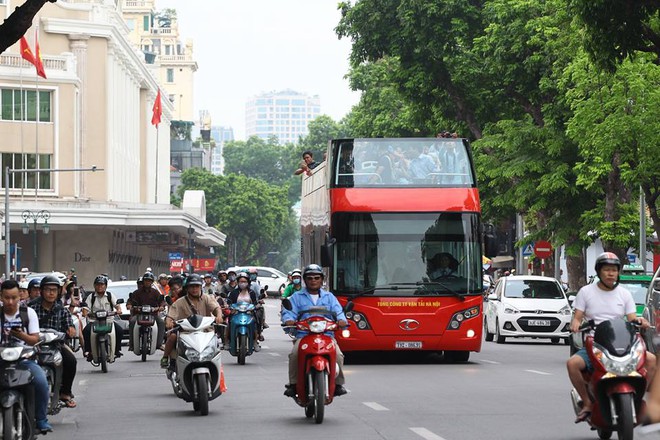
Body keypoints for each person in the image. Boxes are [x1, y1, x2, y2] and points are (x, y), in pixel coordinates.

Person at [567, 252, 655, 423]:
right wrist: (575, 323)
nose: (611, 274)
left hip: (622, 342)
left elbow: (631, 319)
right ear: (599, 272)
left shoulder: (624, 294)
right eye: (607, 270)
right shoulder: (586, 292)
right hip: (595, 343)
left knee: (651, 359)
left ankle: (638, 397)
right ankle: (586, 403)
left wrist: (641, 321)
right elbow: (577, 316)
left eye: (614, 270)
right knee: (572, 364)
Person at [281, 264, 348, 398]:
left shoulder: (329, 297)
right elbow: (288, 312)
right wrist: (289, 320)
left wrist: (342, 321)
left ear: (321, 279)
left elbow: (339, 312)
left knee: (339, 355)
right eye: (310, 278)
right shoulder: (296, 297)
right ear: (305, 280)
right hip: (304, 335)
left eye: (316, 278)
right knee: (294, 355)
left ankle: (338, 384)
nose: (313, 280)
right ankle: (293, 384)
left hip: (327, 335)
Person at [0, 279, 52, 432]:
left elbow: (35, 339)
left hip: (25, 360)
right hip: (2, 360)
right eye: (6, 297)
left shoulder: (28, 313)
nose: (10, 301)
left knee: (41, 382)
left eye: (14, 297)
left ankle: (41, 419)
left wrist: (21, 335)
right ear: (1, 297)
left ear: (19, 297)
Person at [28, 275, 78, 409]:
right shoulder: (31, 307)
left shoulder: (61, 309)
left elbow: (69, 325)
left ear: (58, 292)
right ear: (42, 291)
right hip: (34, 345)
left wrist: (71, 330)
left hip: (56, 345)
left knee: (71, 361)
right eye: (47, 290)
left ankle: (65, 393)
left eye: (54, 290)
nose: (50, 293)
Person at [161, 273, 224, 368]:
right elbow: (171, 315)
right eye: (192, 286)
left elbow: (216, 308)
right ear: (187, 288)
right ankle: (166, 357)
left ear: (200, 287)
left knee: (216, 348)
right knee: (173, 336)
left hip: (205, 331)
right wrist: (169, 322)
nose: (195, 289)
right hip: (185, 332)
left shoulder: (207, 298)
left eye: (197, 286)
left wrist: (219, 316)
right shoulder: (179, 302)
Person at [82, 275, 124, 360]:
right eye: (97, 285)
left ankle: (116, 350)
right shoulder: (91, 297)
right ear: (94, 286)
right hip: (94, 322)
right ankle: (89, 351)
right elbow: (85, 309)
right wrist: (85, 313)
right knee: (85, 331)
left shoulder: (110, 295)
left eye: (102, 285)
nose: (100, 287)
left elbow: (117, 306)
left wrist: (118, 310)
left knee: (120, 330)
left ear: (105, 286)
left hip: (109, 321)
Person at [127, 272, 166, 352]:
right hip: (139, 314)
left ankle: (159, 344)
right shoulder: (137, 292)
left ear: (152, 282)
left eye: (149, 281)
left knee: (161, 322)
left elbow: (161, 301)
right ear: (143, 281)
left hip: (152, 314)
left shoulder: (155, 292)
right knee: (132, 321)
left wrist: (161, 306)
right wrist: (129, 305)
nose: (147, 282)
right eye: (146, 281)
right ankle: (131, 344)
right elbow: (130, 301)